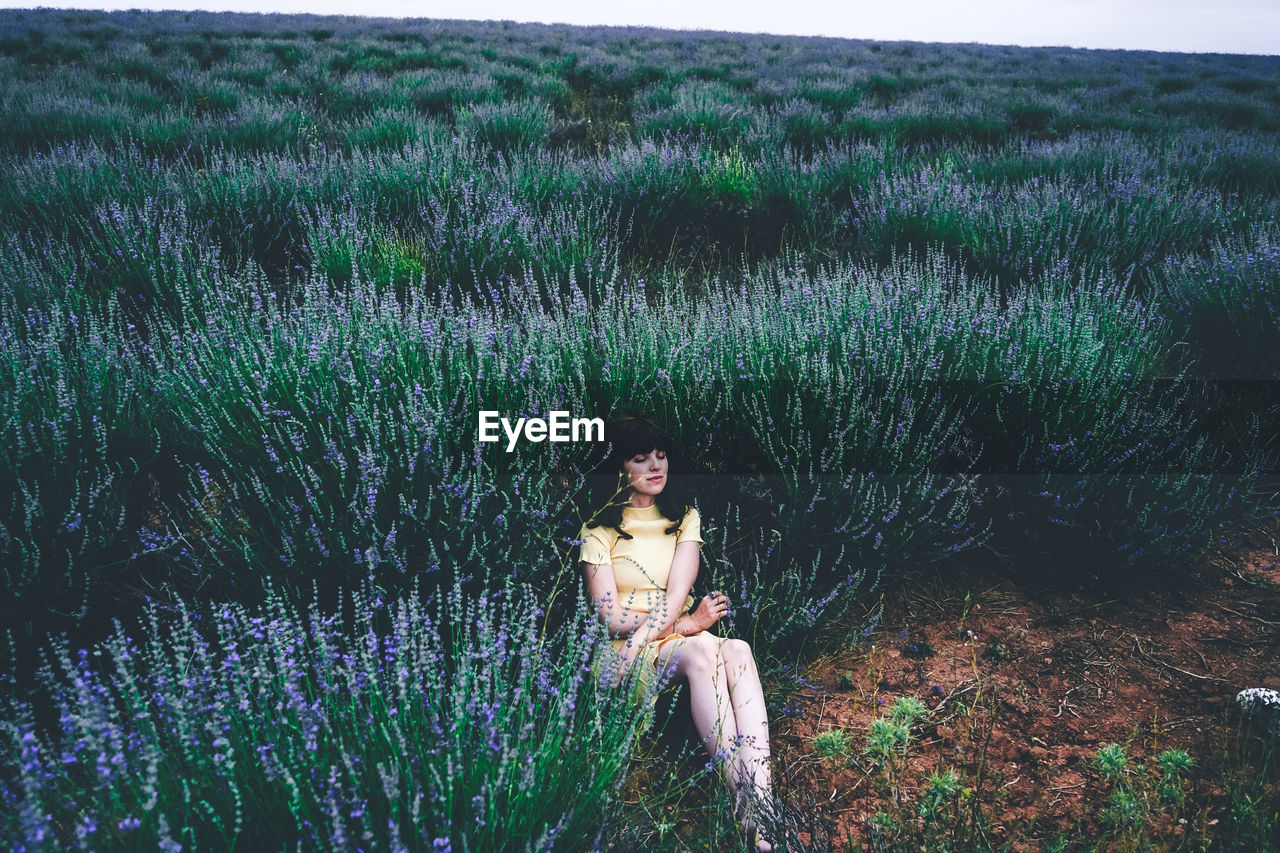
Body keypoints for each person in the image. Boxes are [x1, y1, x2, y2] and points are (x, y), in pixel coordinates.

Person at [577, 413, 776, 852]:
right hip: (624, 654)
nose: (655, 466)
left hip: (650, 642)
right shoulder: (598, 531)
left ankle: (762, 808)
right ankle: (744, 803)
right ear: (619, 468)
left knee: (738, 649)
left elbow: (680, 590)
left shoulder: (684, 517)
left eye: (661, 456)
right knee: (702, 653)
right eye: (641, 458)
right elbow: (610, 616)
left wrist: (664, 626)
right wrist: (681, 622)